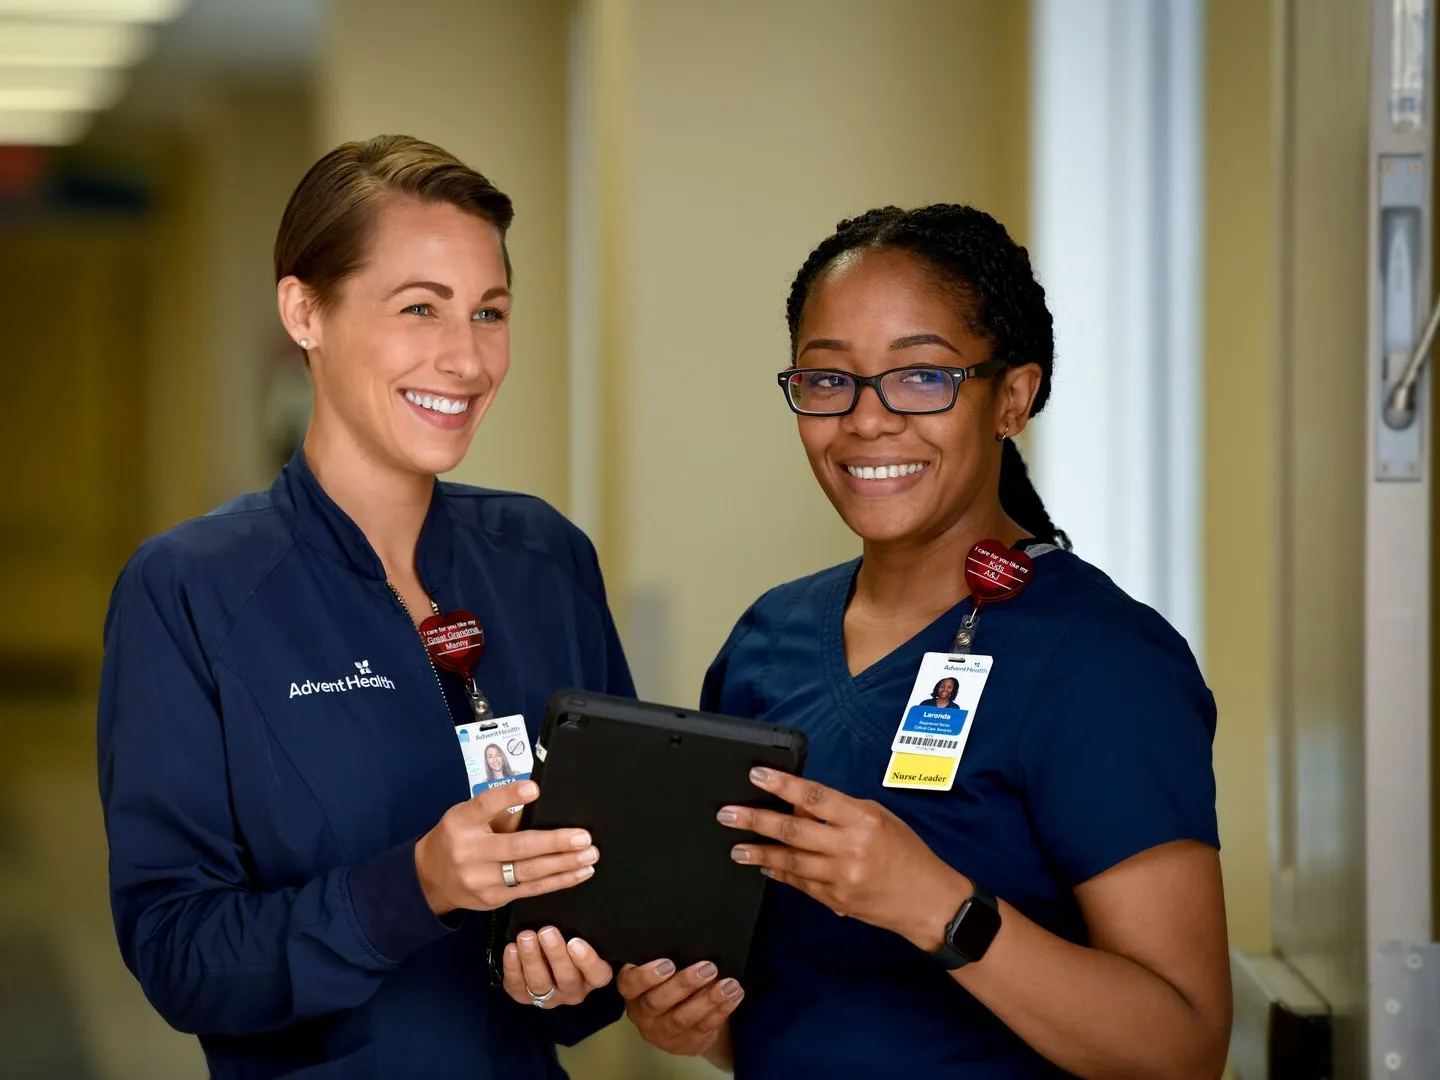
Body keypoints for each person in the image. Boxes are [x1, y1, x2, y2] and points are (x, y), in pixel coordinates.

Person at [617, 205, 1229, 1078]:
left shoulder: (1106, 663)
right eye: (829, 379)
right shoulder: (767, 643)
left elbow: (1184, 1048)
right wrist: (690, 1021)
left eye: (921, 377)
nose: (867, 420)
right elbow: (786, 1006)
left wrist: (936, 906)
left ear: (1011, 398)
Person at [97, 135, 630, 1079]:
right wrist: (416, 887)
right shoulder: (189, 589)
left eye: (489, 311)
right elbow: (180, 956)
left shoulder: (546, 559)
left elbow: (608, 890)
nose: (465, 358)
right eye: (419, 307)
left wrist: (580, 976)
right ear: (305, 311)